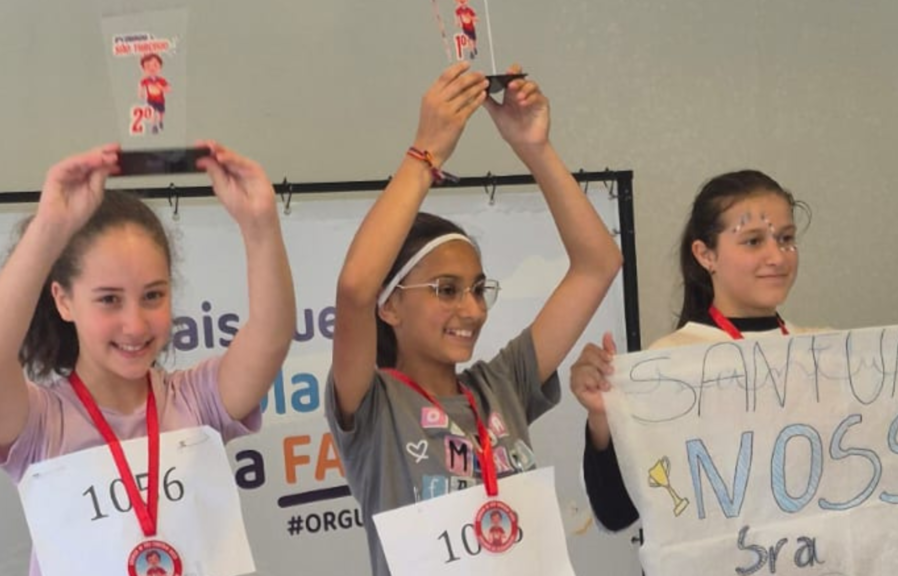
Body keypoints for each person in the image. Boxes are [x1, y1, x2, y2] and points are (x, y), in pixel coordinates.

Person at [326, 61, 622, 575]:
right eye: (446, 290)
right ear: (389, 305)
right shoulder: (374, 406)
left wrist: (534, 147)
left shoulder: (500, 386)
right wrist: (427, 154)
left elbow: (598, 264)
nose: (473, 309)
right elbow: (354, 289)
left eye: (479, 289)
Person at [0, 142, 295, 576]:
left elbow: (271, 336)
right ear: (63, 300)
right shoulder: (41, 424)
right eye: (109, 300)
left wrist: (260, 226)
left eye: (153, 295)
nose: (135, 324)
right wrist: (48, 230)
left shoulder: (196, 400)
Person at [571, 169, 812, 531]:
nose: (777, 257)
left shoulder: (822, 355)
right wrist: (603, 418)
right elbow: (616, 512)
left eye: (786, 238)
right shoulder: (670, 364)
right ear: (705, 254)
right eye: (753, 241)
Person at [138, 54, 169, 133]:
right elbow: (141, 85)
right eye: (148, 66)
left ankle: (160, 121)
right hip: (151, 100)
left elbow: (168, 89)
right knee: (153, 113)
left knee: (161, 112)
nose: (152, 69)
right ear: (144, 69)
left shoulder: (161, 80)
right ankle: (154, 126)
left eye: (155, 65)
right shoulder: (146, 80)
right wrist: (141, 93)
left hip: (160, 100)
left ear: (160, 67)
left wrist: (161, 88)